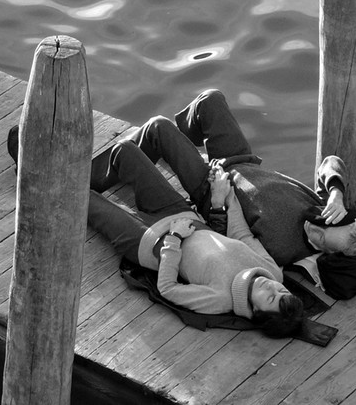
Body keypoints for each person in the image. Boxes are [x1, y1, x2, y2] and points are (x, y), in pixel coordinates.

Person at [102, 89, 356, 269]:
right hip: (241, 160)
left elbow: (229, 242)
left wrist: (217, 199)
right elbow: (331, 162)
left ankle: (100, 172)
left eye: (319, 239)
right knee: (211, 100)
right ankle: (172, 143)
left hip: (211, 186)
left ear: (327, 253)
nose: (315, 228)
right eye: (326, 222)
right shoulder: (320, 207)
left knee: (159, 127)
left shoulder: (282, 250)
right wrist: (336, 192)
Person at [83, 139, 305, 337]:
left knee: (83, 199)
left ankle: (65, 181)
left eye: (270, 298)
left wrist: (174, 237)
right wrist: (226, 198)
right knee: (124, 151)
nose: (272, 287)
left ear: (256, 311)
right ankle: (78, 174)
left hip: (148, 241)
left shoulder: (219, 300)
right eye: (281, 290)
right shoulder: (273, 272)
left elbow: (168, 289)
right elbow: (242, 234)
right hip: (182, 215)